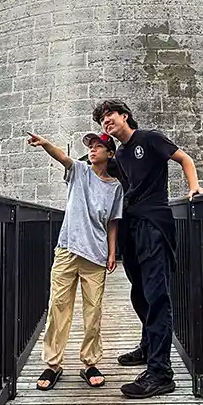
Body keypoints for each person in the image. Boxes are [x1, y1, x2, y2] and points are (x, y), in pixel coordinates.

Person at [92, 99, 203, 399]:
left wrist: (194, 187)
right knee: (140, 294)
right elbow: (102, 172)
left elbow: (184, 158)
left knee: (157, 298)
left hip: (154, 225)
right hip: (133, 228)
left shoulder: (150, 138)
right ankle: (148, 347)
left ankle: (161, 373)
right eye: (102, 120)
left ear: (125, 116)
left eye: (110, 116)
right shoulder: (119, 153)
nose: (106, 121)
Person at [27, 130, 124, 391]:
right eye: (90, 146)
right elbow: (63, 158)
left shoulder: (115, 187)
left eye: (98, 146)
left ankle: (90, 363)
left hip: (96, 254)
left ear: (109, 153)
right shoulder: (79, 171)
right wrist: (45, 143)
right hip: (68, 250)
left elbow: (113, 222)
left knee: (93, 313)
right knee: (58, 308)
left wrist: (113, 252)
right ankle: (52, 364)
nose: (92, 149)